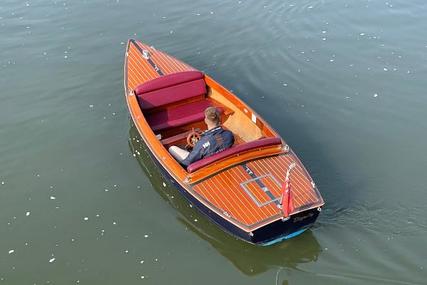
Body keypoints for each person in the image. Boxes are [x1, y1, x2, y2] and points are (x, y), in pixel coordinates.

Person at [169, 107, 234, 167]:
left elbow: (187, 162)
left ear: (206, 120)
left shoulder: (202, 143)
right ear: (219, 119)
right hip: (222, 161)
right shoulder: (229, 134)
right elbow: (218, 141)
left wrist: (196, 146)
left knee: (172, 148)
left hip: (205, 166)